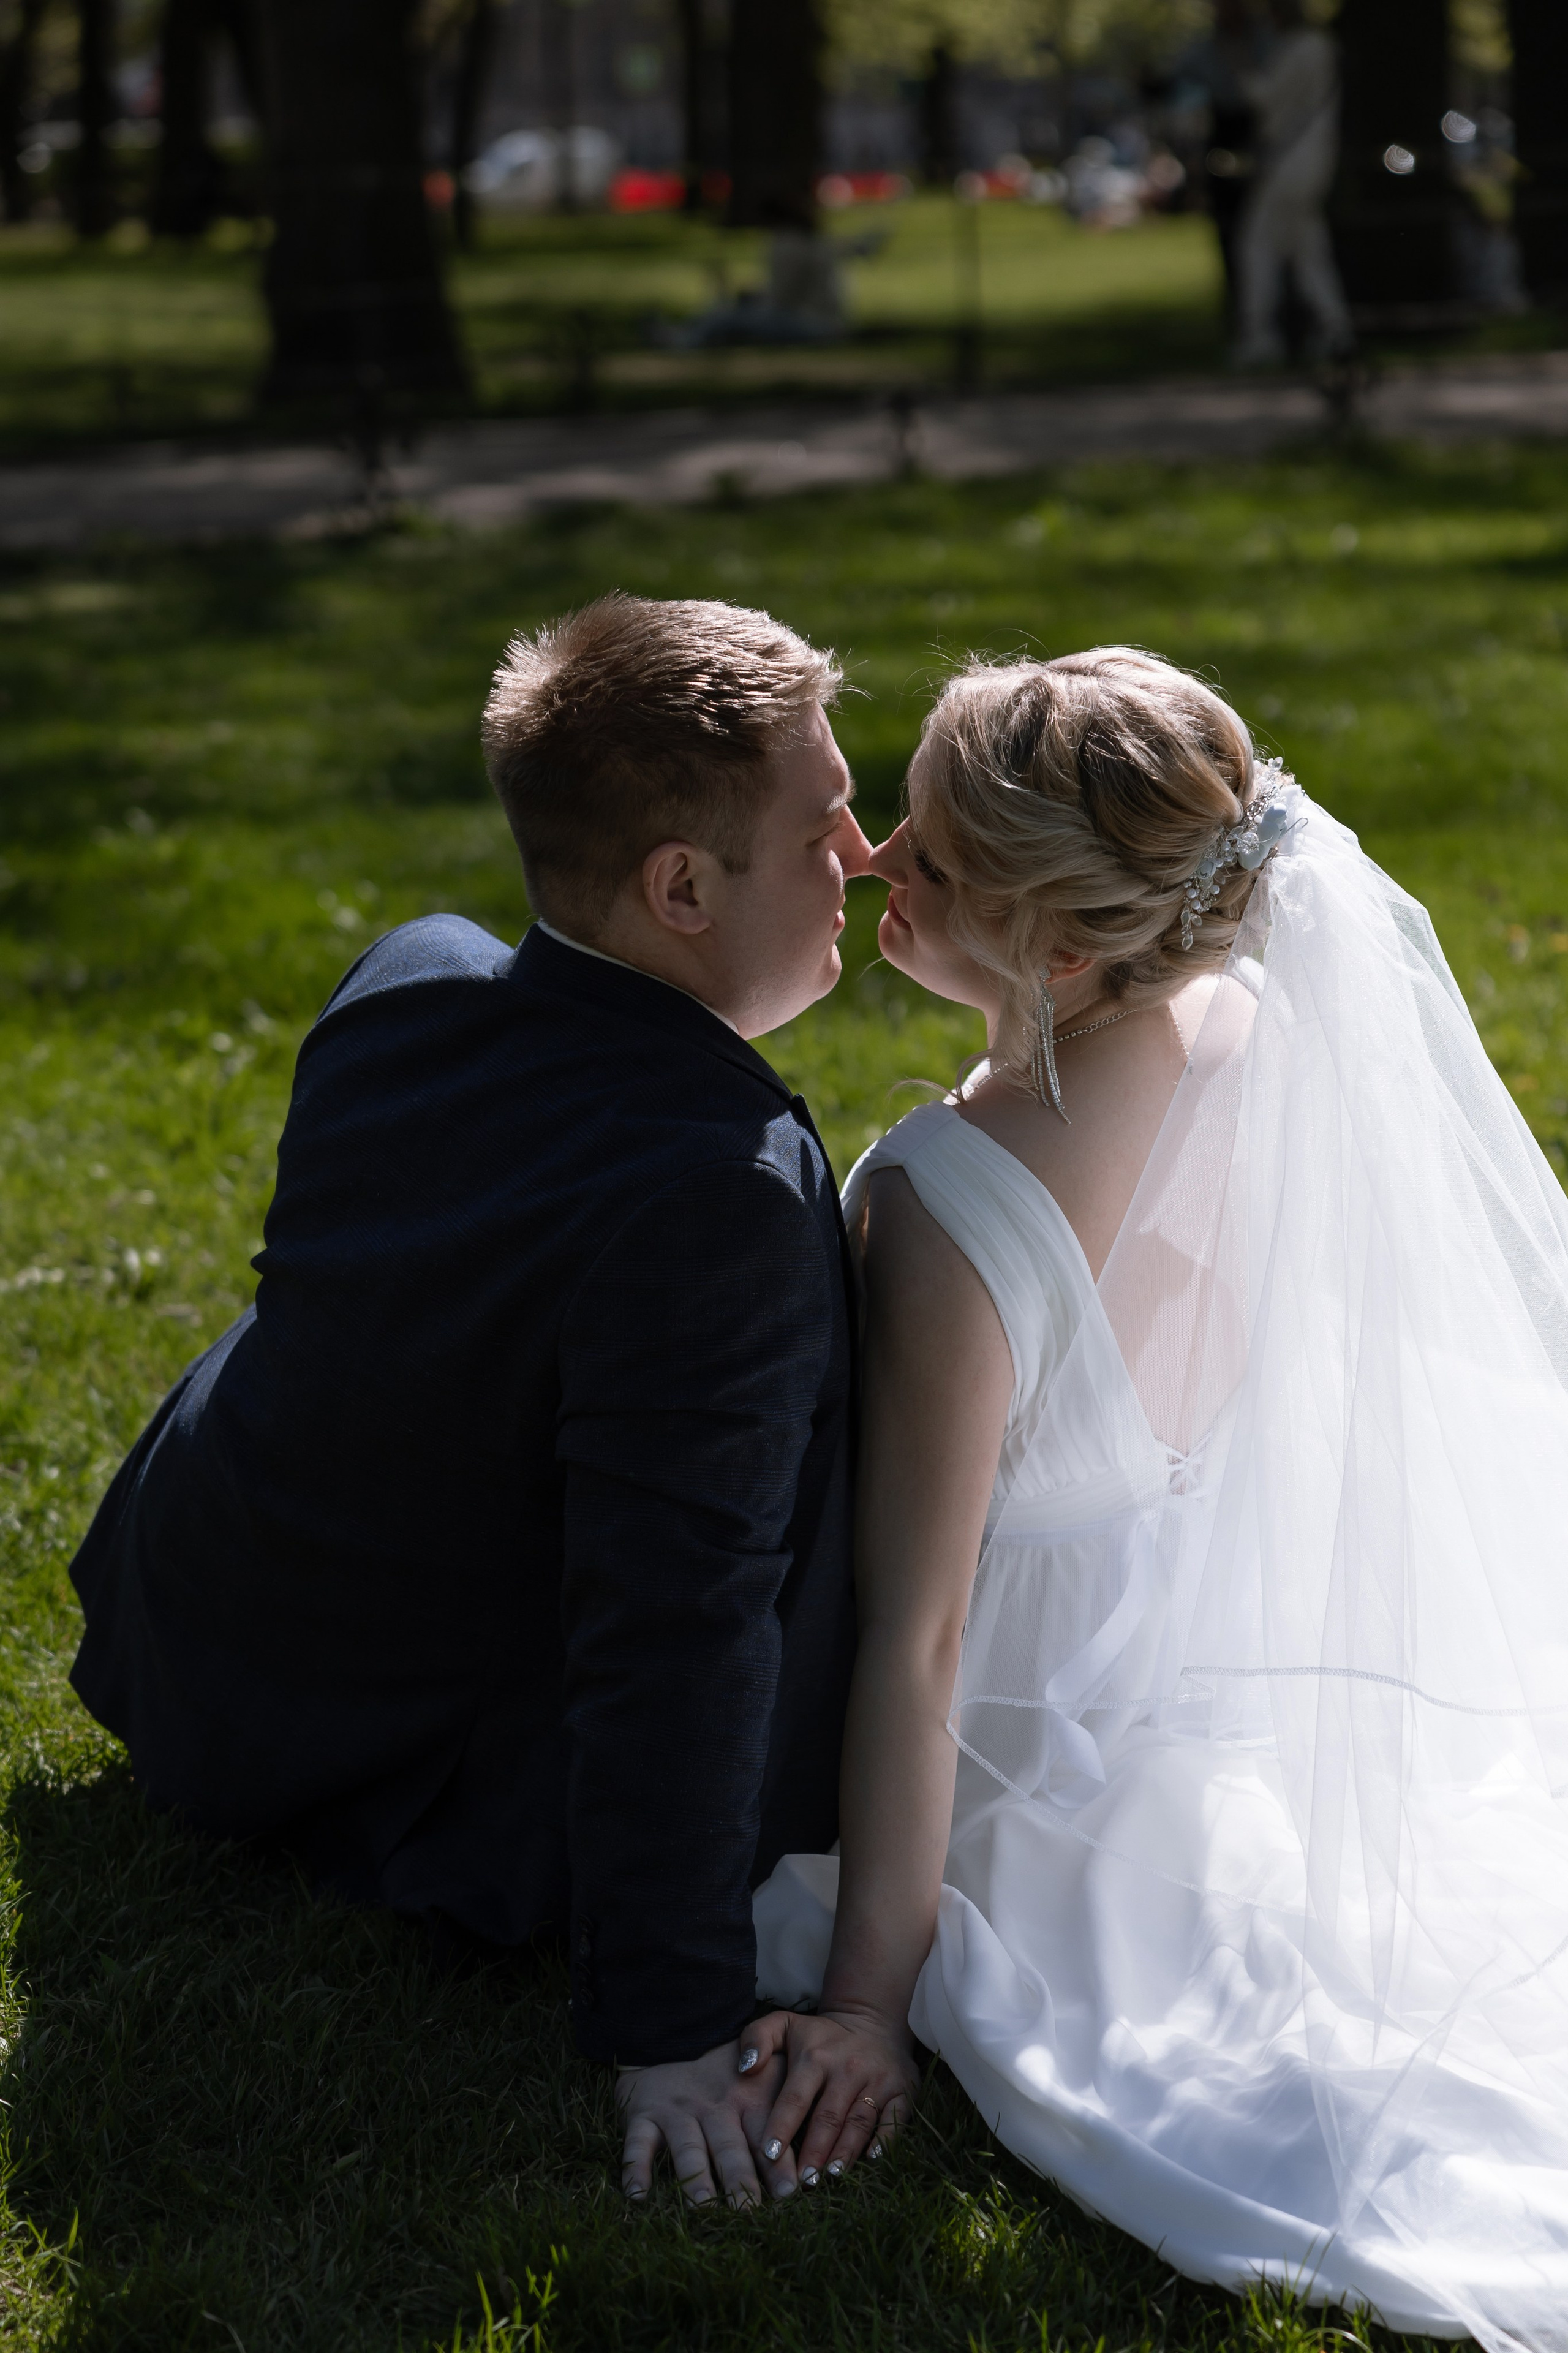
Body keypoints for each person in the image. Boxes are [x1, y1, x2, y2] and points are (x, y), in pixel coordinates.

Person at [741, 648, 1568, 2348]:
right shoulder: (1253, 1028)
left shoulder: (948, 1206)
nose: (881, 859)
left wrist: (869, 2001)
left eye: (940, 859)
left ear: (1059, 948)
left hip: (1038, 1769)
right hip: (1204, 1702)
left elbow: (924, 1631)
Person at [67, 593, 875, 2210]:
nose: (861, 847)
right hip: (400, 1767)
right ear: (681, 887)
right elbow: (676, 1623)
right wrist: (672, 2022)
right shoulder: (720, 1197)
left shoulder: (411, 976)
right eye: (821, 822)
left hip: (198, 1648)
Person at [1231, 0, 1353, 367]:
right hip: (1314, 158)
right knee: (1308, 249)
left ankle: (1260, 335)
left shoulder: (1298, 49)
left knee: (1257, 246)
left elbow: (1267, 98)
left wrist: (1242, 71)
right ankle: (1335, 330)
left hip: (1291, 161)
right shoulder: (1322, 47)